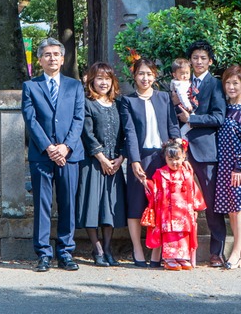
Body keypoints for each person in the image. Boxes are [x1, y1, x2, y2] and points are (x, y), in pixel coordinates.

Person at [21, 38, 85, 272]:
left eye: (56, 54)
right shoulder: (31, 86)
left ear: (63, 58)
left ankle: (66, 251)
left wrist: (66, 146)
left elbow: (79, 118)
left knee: (68, 203)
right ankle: (43, 253)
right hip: (42, 154)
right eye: (47, 54)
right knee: (42, 204)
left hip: (69, 154)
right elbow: (30, 119)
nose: (52, 58)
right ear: (40, 59)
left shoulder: (75, 86)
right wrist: (49, 147)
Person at [120, 56, 181, 267]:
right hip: (140, 157)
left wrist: (177, 151)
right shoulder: (127, 101)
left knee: (161, 204)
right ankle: (137, 249)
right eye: (141, 74)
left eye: (149, 74)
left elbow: (173, 126)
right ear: (134, 76)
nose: (145, 78)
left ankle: (156, 252)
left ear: (155, 76)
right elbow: (129, 132)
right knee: (136, 203)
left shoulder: (164, 98)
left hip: (162, 157)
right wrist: (134, 160)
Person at [173, 39, 228, 266]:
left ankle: (217, 251)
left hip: (206, 151)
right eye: (195, 57)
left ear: (210, 61)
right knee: (178, 200)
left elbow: (219, 117)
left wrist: (192, 119)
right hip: (181, 150)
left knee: (212, 203)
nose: (198, 61)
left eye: (203, 58)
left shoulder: (215, 85)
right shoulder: (180, 83)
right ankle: (179, 249)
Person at [75, 62, 126, 267]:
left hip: (114, 163)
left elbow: (125, 134)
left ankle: (107, 248)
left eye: (107, 79)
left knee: (109, 207)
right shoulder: (87, 103)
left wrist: (121, 158)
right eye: (99, 79)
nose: (103, 83)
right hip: (93, 163)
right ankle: (97, 249)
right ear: (91, 81)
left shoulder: (118, 104)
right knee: (92, 205)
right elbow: (87, 134)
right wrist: (101, 158)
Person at [214, 64, 241, 269]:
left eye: (235, 83)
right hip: (223, 163)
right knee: (231, 209)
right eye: (228, 83)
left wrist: (239, 167)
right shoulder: (224, 107)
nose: (231, 87)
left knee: (238, 208)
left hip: (239, 166)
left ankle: (235, 254)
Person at [144, 138, 206, 271]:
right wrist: (146, 183)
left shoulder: (187, 174)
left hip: (184, 212)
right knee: (170, 234)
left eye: (177, 158)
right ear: (165, 159)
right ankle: (169, 258)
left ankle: (182, 257)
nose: (174, 162)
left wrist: (195, 208)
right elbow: (155, 190)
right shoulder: (160, 173)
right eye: (170, 159)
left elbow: (193, 190)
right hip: (167, 212)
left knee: (183, 234)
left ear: (183, 157)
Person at [168, 58, 196, 136]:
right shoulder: (180, 84)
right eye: (182, 73)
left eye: (187, 73)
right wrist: (187, 105)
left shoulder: (179, 82)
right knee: (192, 120)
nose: (185, 76)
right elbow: (182, 94)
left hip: (181, 106)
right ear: (174, 75)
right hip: (183, 107)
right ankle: (182, 136)